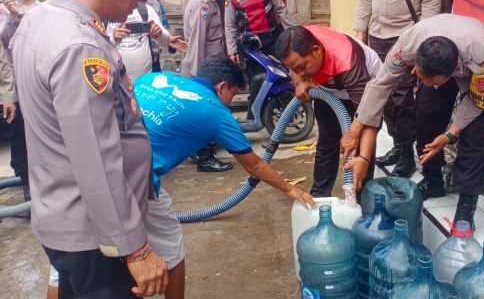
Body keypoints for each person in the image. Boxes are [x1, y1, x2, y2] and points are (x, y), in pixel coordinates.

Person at [46, 56, 316, 299]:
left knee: (70, 258)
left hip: (87, 167)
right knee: (171, 247)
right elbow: (255, 165)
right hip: (136, 181)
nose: (230, 102)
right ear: (222, 86)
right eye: (233, 94)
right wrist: (289, 190)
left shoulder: (155, 78)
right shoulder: (217, 113)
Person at [12, 0, 170, 298]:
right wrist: (134, 247)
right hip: (97, 238)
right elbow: (96, 159)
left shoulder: (40, 20)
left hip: (66, 217)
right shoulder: (80, 46)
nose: (138, 2)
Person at [341, 13, 484, 228]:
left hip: (475, 61)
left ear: (452, 73)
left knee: (473, 135)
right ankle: (434, 179)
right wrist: (355, 128)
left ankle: (466, 206)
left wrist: (450, 135)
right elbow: (381, 83)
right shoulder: (408, 45)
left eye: (427, 79)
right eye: (418, 72)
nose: (419, 77)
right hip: (438, 50)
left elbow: (476, 102)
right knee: (426, 114)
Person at [352, 0, 443, 179]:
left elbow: (431, 2)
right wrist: (360, 28)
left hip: (406, 38)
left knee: (402, 98)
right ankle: (398, 144)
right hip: (377, 34)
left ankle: (407, 154)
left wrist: (424, 44)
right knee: (384, 94)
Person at [276, 25, 380, 195]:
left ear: (316, 50)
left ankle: (362, 203)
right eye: (295, 69)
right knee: (327, 141)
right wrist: (298, 82)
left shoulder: (348, 62)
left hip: (367, 90)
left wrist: (363, 158)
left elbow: (370, 116)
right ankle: (319, 196)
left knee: (359, 147)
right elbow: (295, 65)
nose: (299, 72)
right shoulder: (296, 40)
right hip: (329, 89)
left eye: (302, 67)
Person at [224, 0, 297, 119]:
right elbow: (230, 26)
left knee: (283, 73)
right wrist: (232, 50)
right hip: (251, 45)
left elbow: (281, 10)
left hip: (273, 38)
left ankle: (288, 109)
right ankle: (255, 116)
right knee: (257, 79)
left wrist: (294, 32)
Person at [180, 0, 234, 172]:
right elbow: (197, 44)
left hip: (208, 69)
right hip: (203, 71)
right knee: (204, 114)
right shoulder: (202, 5)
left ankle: (198, 152)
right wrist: (198, 79)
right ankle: (205, 159)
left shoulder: (207, 1)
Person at [0, 0, 42, 201]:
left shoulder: (45, 8)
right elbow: (4, 50)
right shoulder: (3, 11)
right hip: (17, 85)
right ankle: (29, 192)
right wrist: (14, 16)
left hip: (43, 83)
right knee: (22, 139)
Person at [107, 0, 187, 80]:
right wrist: (114, 38)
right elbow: (97, 46)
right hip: (115, 80)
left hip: (144, 79)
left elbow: (164, 40)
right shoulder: (105, 11)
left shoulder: (146, 9)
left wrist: (159, 34)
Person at [141, 0, 170, 72]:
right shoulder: (125, 5)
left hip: (154, 57)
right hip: (138, 59)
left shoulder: (155, 3)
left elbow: (164, 27)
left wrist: (170, 43)